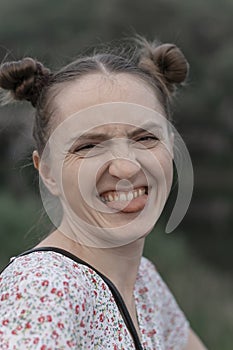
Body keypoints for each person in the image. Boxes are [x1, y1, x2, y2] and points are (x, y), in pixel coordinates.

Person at [0, 37, 207, 349]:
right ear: (46, 171)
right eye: (88, 145)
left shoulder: (144, 282)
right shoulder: (41, 293)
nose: (125, 168)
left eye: (146, 137)